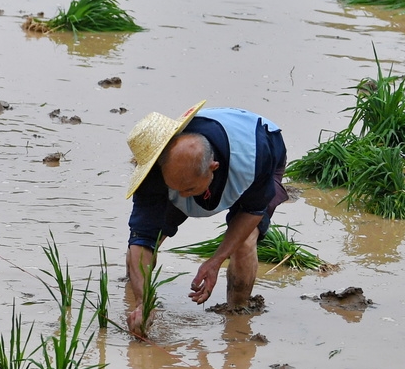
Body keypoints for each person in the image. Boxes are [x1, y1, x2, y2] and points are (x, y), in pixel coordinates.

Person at [123, 101, 288, 337]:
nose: (182, 197)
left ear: (213, 168)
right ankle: (137, 306)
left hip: (259, 151)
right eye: (174, 188)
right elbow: (141, 238)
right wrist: (143, 302)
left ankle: (237, 320)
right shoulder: (154, 170)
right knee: (147, 243)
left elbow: (252, 211)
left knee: (244, 242)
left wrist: (216, 260)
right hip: (190, 169)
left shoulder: (254, 156)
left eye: (188, 190)